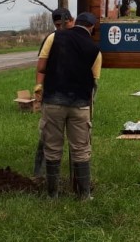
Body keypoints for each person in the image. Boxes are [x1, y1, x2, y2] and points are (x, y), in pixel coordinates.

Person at [37, 11, 101, 199]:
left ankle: (52, 195)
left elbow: (41, 67)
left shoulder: (53, 38)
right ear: (91, 27)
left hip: (53, 102)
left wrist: (40, 87)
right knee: (81, 149)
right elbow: (95, 81)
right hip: (80, 105)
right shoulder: (95, 49)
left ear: (75, 22)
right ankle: (84, 195)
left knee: (52, 148)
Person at [31, 8, 75, 179]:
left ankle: (75, 176)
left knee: (77, 138)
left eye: (65, 24)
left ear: (72, 20)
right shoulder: (51, 39)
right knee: (48, 134)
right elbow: (41, 67)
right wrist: (38, 86)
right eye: (57, 25)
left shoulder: (79, 38)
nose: (61, 28)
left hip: (76, 95)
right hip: (53, 93)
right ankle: (40, 175)